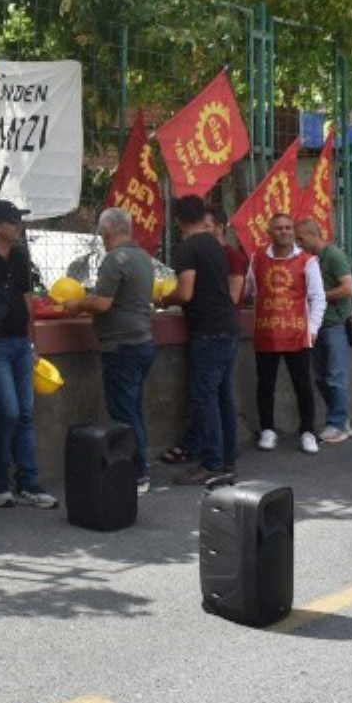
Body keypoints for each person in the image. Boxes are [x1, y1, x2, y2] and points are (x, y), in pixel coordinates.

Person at [62, 207, 156, 493]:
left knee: (124, 413)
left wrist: (76, 303)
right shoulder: (143, 258)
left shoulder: (115, 259)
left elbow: (103, 303)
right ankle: (140, 468)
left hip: (121, 346)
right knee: (134, 409)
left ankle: (137, 473)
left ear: (107, 231)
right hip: (143, 341)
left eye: (100, 230)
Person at [0, 198, 58, 509]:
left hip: (19, 344)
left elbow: (27, 299)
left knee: (25, 413)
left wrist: (33, 344)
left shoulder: (20, 255)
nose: (19, 226)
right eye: (13, 221)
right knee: (7, 411)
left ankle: (29, 482)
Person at [157, 195, 240, 486]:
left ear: (177, 220)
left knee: (206, 398)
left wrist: (163, 298)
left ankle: (213, 464)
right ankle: (228, 459)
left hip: (208, 331)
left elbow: (186, 292)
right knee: (223, 397)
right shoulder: (215, 245)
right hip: (228, 327)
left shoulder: (188, 248)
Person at [249, 213, 326, 453]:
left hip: (297, 334)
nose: (284, 232)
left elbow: (318, 298)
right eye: (279, 228)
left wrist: (312, 329)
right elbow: (251, 290)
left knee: (303, 384)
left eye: (288, 228)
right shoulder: (256, 259)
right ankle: (268, 430)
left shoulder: (308, 261)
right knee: (265, 384)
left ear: (293, 232)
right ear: (269, 233)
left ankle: (307, 431)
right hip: (266, 333)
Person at [296, 218, 352, 443]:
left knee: (335, 375)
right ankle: (341, 419)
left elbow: (349, 289)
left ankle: (336, 424)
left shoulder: (333, 256)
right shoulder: (308, 259)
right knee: (321, 377)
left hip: (335, 323)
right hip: (315, 324)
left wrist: (319, 297)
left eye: (301, 239)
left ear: (313, 235)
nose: (298, 243)